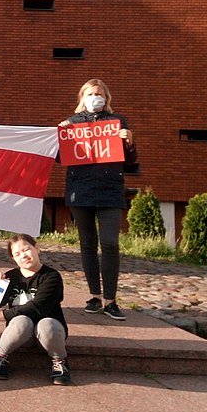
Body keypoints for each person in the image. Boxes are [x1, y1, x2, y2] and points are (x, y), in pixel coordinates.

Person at [59, 78, 137, 321]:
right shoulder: (72, 123)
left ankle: (110, 300)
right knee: (88, 244)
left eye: (100, 93)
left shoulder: (117, 122)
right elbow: (60, 159)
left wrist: (130, 141)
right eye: (91, 93)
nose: (96, 97)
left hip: (110, 191)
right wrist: (61, 136)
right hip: (80, 190)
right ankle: (94, 295)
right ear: (82, 97)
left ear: (107, 98)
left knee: (110, 243)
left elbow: (130, 161)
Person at [0, 233, 71, 386]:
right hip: (20, 332)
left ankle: (59, 362)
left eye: (26, 250)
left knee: (47, 325)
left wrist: (5, 314)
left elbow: (38, 307)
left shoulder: (52, 276)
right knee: (21, 321)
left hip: (50, 332)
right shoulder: (10, 277)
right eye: (17, 254)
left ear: (36, 248)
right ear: (13, 258)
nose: (23, 256)